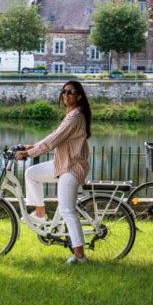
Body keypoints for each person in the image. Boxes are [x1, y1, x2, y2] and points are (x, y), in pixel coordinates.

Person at [15, 81, 92, 264]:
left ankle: (80, 256)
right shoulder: (71, 115)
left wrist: (28, 153)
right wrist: (32, 146)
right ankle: (41, 214)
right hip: (62, 163)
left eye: (70, 92)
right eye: (64, 92)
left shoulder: (75, 117)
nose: (66, 95)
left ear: (78, 96)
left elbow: (54, 141)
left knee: (67, 210)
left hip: (72, 167)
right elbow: (54, 136)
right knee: (32, 173)